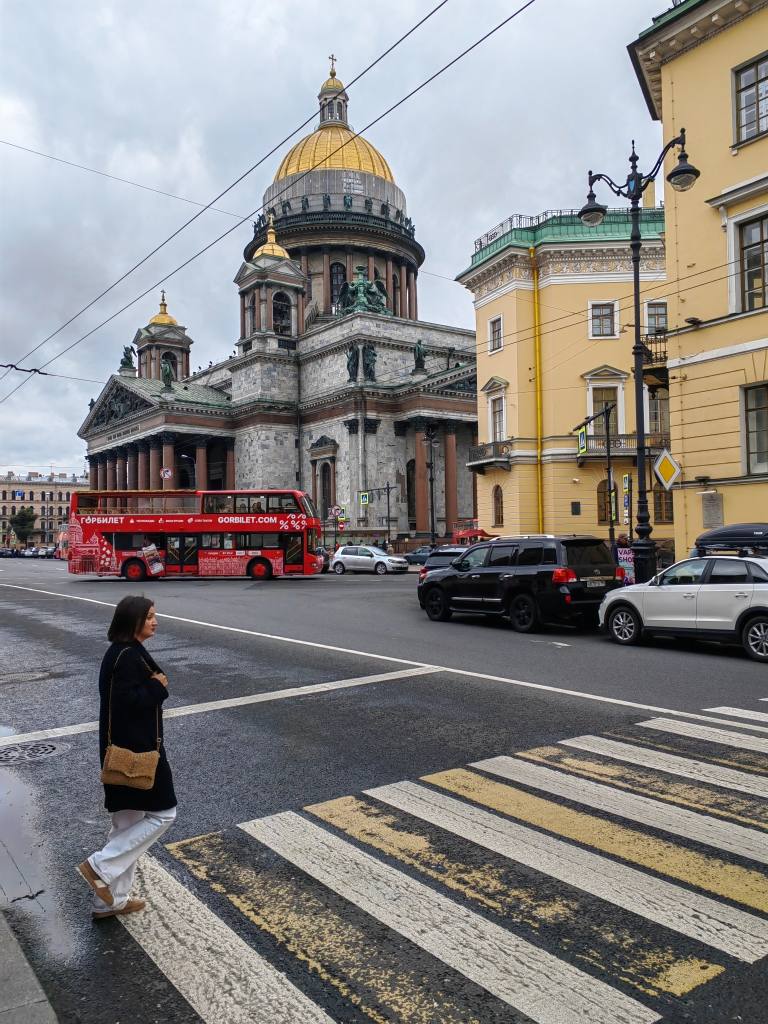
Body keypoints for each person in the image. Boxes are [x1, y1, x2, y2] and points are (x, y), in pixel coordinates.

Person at [76, 596, 176, 919]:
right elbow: (126, 703)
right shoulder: (127, 657)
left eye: (154, 616)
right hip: (137, 754)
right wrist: (158, 688)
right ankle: (99, 866)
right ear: (132, 620)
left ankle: (111, 901)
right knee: (164, 815)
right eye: (149, 617)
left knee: (126, 825)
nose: (155, 622)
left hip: (122, 750)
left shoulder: (119, 653)